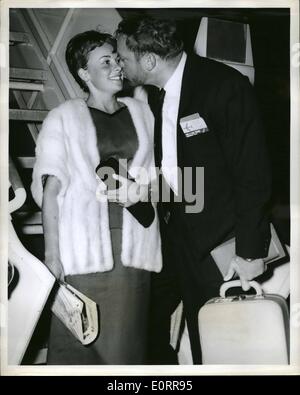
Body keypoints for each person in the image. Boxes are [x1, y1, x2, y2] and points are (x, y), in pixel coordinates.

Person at [115, 17, 272, 364]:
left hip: (222, 246)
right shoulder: (158, 97)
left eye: (124, 57)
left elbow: (252, 175)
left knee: (226, 345)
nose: (120, 64)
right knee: (185, 336)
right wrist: (144, 193)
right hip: (178, 240)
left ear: (150, 61)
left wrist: (249, 252)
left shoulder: (223, 86)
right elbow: (189, 176)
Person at [31, 30, 162, 365]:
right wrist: (52, 256)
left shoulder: (142, 113)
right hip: (83, 255)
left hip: (135, 249)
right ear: (84, 74)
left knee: (127, 345)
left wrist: (144, 193)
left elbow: (159, 177)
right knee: (79, 345)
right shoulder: (63, 118)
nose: (117, 66)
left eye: (117, 58)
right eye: (105, 61)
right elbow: (51, 192)